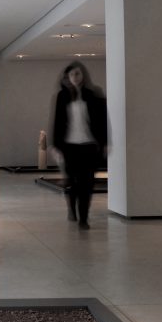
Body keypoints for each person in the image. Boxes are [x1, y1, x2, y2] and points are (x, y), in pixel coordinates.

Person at [51, 61, 107, 230]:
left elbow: (103, 121)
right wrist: (55, 146)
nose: (75, 77)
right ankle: (72, 209)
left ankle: (84, 218)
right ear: (67, 77)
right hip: (70, 146)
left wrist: (105, 143)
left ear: (83, 76)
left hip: (89, 145)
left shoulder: (93, 95)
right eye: (72, 74)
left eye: (78, 73)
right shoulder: (62, 96)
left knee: (87, 183)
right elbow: (57, 122)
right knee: (73, 183)